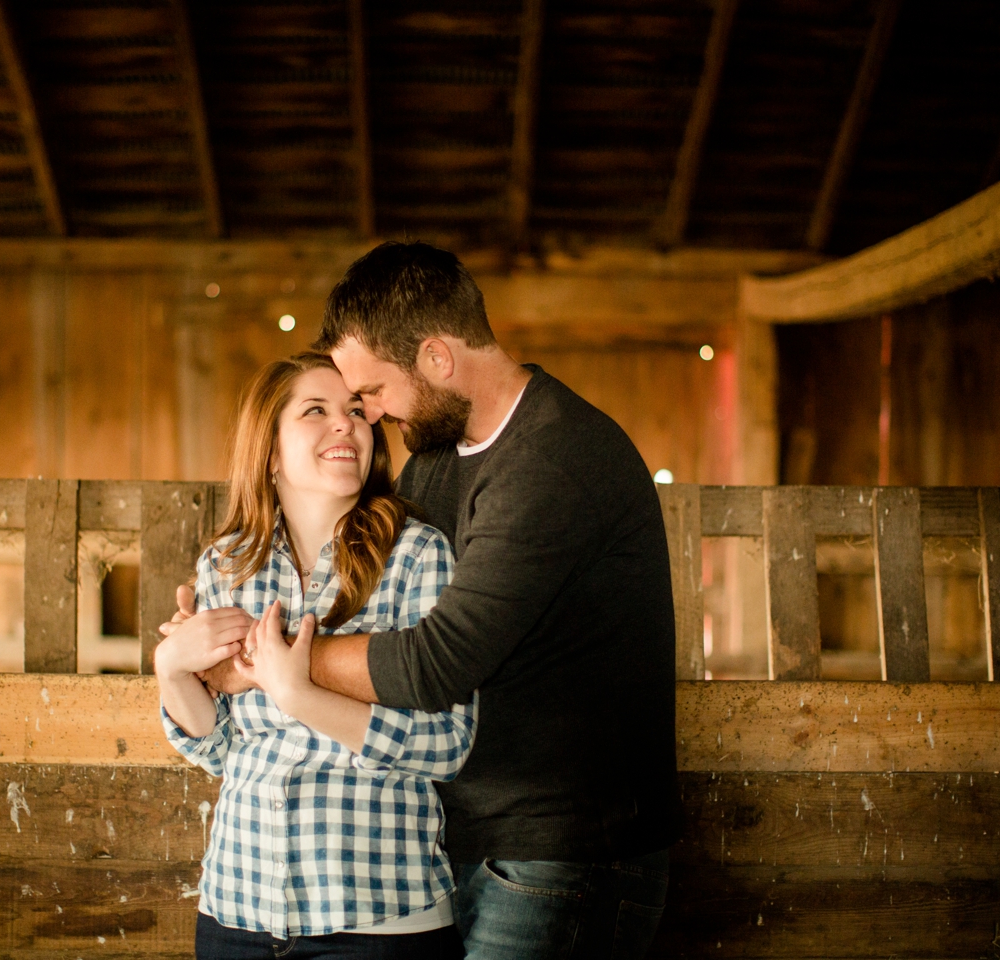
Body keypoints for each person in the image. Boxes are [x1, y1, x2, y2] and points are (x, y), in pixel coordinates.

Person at [177, 241, 681, 959]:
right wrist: (206, 640)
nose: (370, 416)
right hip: (464, 843)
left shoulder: (556, 460)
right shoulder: (442, 459)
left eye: (371, 393)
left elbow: (436, 662)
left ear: (438, 359)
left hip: (565, 851)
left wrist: (262, 658)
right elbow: (389, 599)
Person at [154, 351, 476, 959]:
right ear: (270, 451)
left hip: (378, 917)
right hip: (237, 911)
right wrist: (171, 669)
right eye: (316, 411)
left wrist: (297, 692)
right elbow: (218, 747)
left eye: (356, 410)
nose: (346, 423)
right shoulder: (226, 564)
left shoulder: (415, 554)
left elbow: (447, 744)